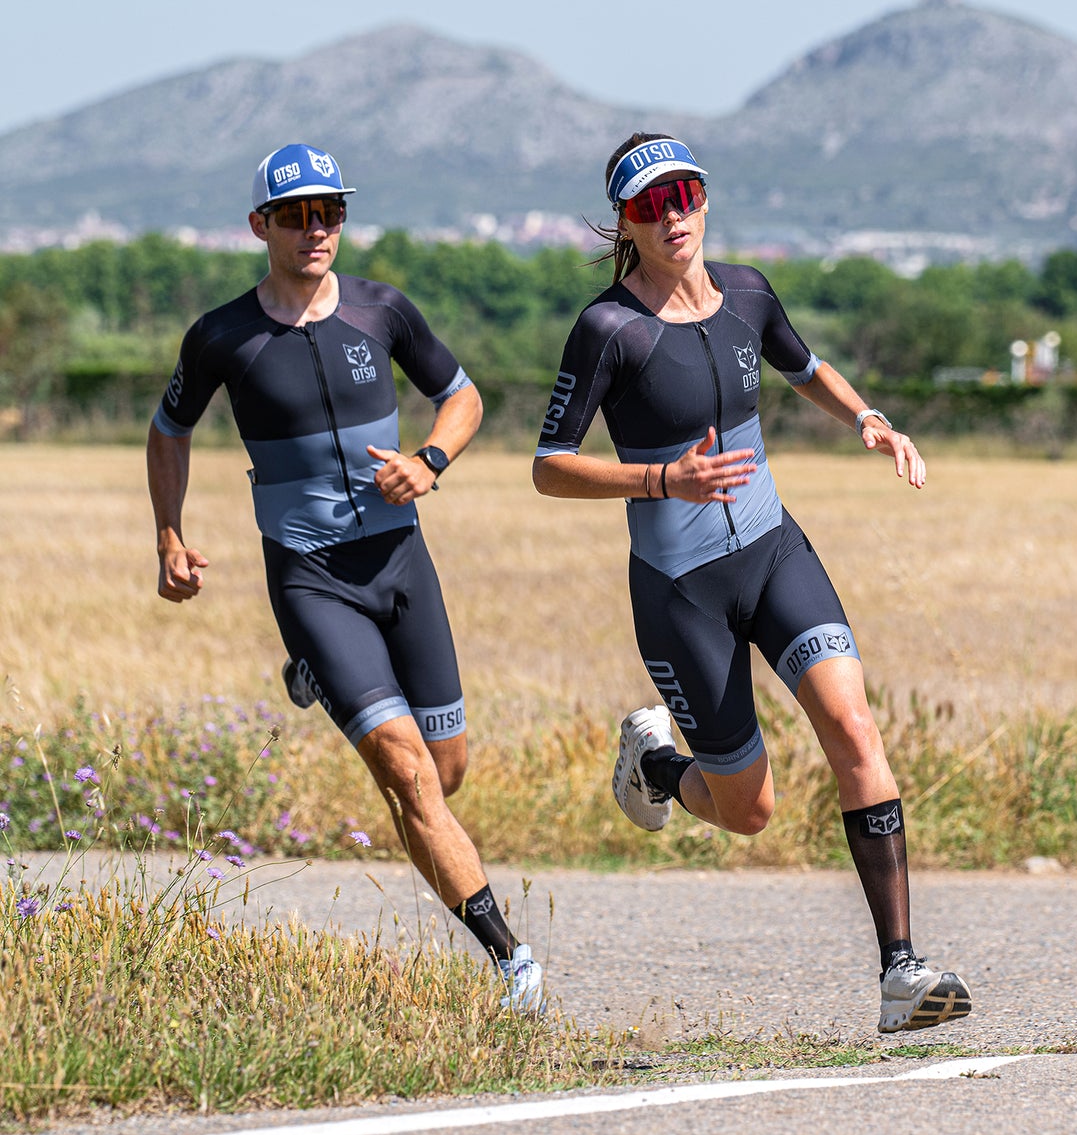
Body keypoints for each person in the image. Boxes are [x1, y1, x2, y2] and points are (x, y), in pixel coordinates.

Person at [533, 133, 970, 1033]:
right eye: (652, 204)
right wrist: (663, 480)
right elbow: (548, 466)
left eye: (685, 193)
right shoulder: (608, 328)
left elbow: (803, 366)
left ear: (703, 197)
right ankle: (655, 762)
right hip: (680, 587)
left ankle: (899, 972)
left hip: (774, 551)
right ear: (626, 220)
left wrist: (871, 419)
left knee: (852, 724)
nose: (674, 214)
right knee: (750, 811)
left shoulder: (748, 293)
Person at [146, 141, 543, 1013]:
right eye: (296, 214)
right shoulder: (221, 335)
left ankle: (316, 676)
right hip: (310, 576)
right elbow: (168, 428)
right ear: (261, 226)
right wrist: (170, 534)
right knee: (404, 773)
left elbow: (465, 394)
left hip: (402, 563)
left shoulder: (382, 309)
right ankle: (511, 960)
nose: (316, 228)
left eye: (330, 211)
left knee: (444, 770)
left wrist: (430, 459)